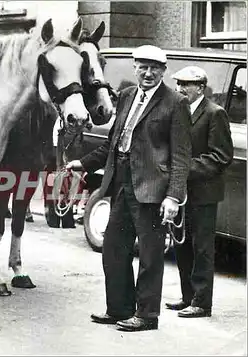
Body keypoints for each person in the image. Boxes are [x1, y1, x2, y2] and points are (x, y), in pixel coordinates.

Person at [66, 45, 192, 331]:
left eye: (154, 68)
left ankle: (147, 316)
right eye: (143, 67)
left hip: (152, 188)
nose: (148, 73)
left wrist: (173, 196)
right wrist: (82, 164)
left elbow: (181, 155)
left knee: (149, 256)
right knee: (113, 248)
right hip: (120, 181)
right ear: (135, 68)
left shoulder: (175, 102)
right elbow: (113, 143)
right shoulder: (126, 96)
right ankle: (119, 308)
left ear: (164, 71)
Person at [165, 66, 233, 318]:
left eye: (186, 85)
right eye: (178, 84)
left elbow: (220, 156)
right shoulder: (180, 111)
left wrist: (182, 170)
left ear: (201, 87)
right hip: (182, 191)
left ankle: (202, 303)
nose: (180, 89)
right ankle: (187, 297)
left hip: (204, 193)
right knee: (181, 245)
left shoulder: (215, 113)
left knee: (202, 248)